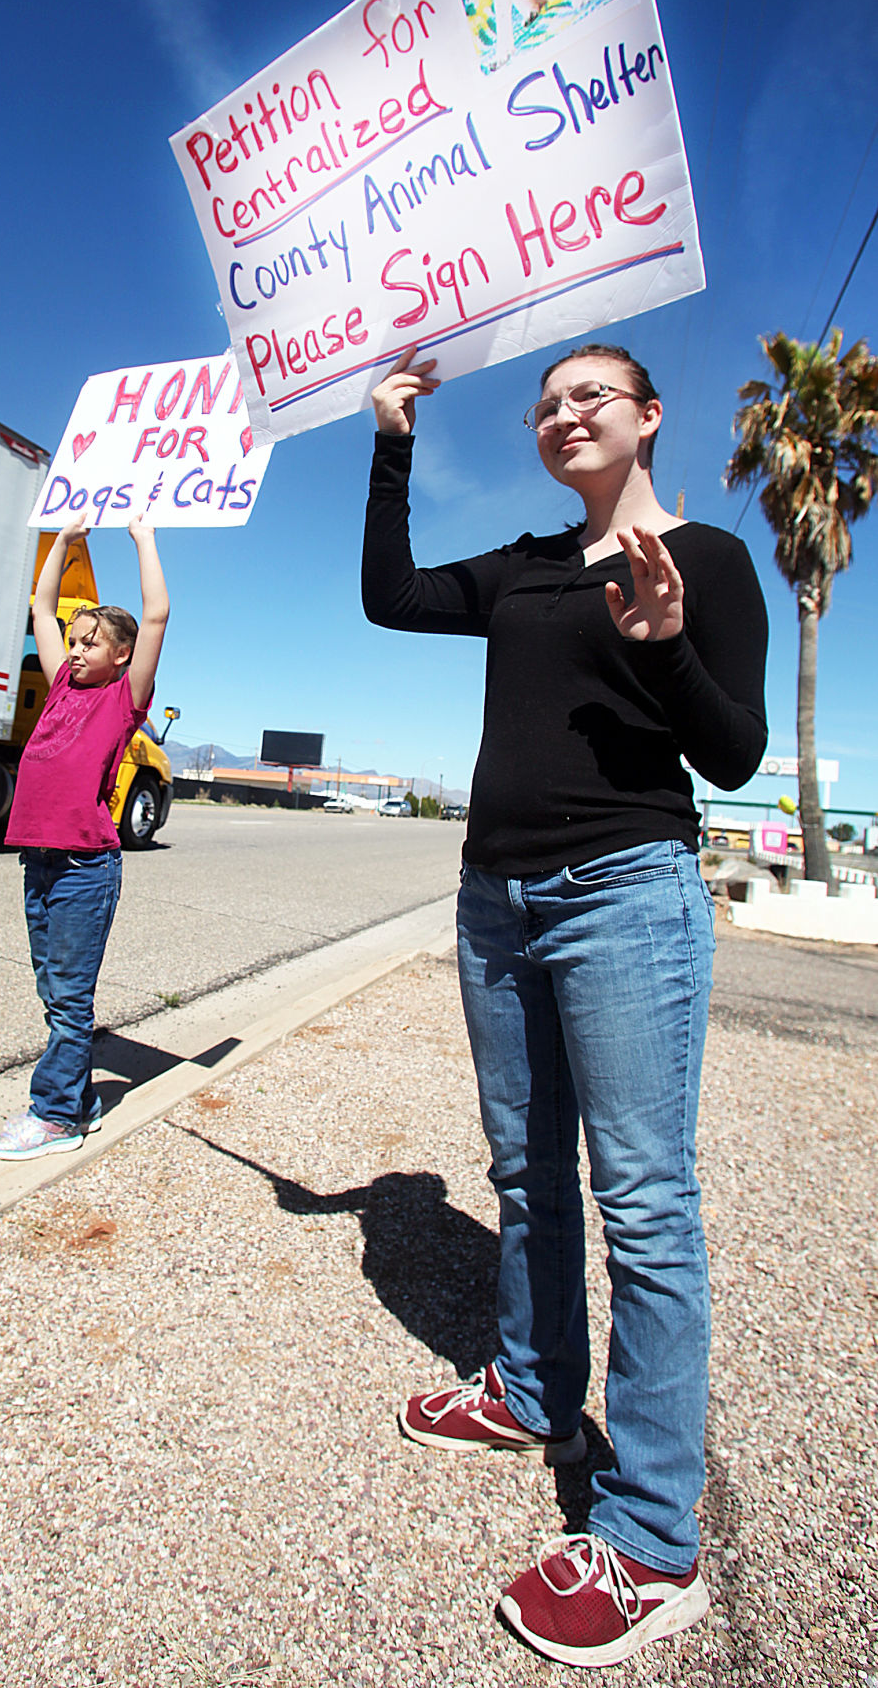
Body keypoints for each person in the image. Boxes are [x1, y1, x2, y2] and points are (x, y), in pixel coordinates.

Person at [362, 343, 767, 1668]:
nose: (561, 411)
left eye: (589, 393)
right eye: (545, 401)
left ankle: (653, 1539)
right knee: (527, 1173)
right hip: (495, 897)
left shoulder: (703, 559)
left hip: (624, 893)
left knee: (642, 1201)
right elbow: (391, 596)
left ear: (651, 414)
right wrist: (393, 442)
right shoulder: (530, 563)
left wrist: (660, 650)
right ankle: (534, 1391)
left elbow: (732, 750)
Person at [0, 511, 170, 1162]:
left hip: (85, 867)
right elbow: (40, 604)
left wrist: (142, 539)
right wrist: (65, 540)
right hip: (40, 860)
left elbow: (156, 617)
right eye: (74, 637)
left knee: (68, 999)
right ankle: (81, 1101)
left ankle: (55, 1115)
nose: (77, 646)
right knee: (51, 989)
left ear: (119, 656)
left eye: (90, 641)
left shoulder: (122, 699)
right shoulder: (62, 684)